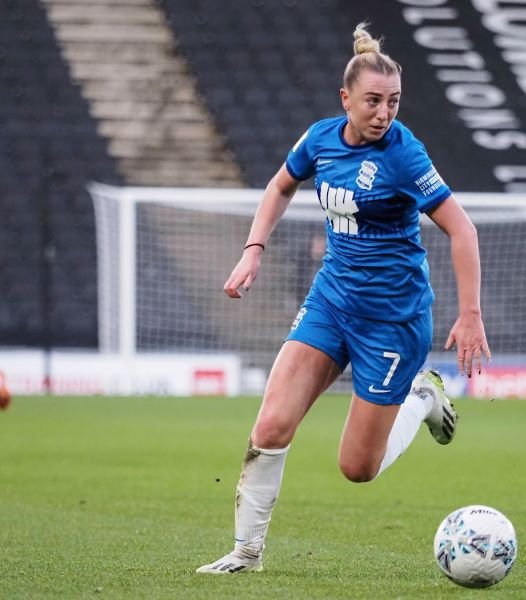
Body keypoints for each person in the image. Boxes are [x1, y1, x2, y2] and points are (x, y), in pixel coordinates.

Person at [197, 22, 491, 575]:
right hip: (331, 301)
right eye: (373, 101)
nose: (384, 113)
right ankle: (246, 553)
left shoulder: (405, 156)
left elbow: (463, 230)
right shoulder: (320, 139)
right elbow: (281, 184)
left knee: (357, 468)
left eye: (394, 102)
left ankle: (422, 398)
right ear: (346, 99)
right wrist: (253, 248)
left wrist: (470, 313)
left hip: (392, 320)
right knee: (270, 425)